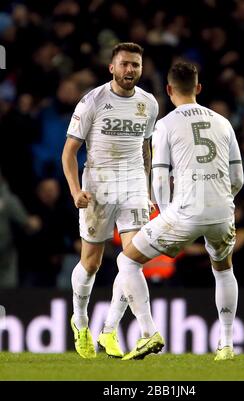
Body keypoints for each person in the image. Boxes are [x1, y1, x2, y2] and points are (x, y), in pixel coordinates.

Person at [116, 62, 244, 361]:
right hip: (222, 210)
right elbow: (237, 178)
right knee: (224, 270)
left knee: (127, 261)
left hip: (184, 211)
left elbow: (159, 176)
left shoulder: (166, 123)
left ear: (169, 89)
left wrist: (166, 213)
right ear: (198, 88)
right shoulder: (223, 122)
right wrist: (221, 199)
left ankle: (149, 333)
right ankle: (226, 344)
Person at [62, 42, 158, 359]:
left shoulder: (149, 103)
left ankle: (111, 331)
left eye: (136, 65)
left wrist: (148, 187)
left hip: (132, 185)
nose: (130, 70)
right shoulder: (93, 101)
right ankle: (80, 320)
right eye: (125, 64)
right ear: (112, 68)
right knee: (91, 264)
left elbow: (146, 150)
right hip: (98, 186)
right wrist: (76, 191)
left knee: (133, 260)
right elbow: (69, 153)